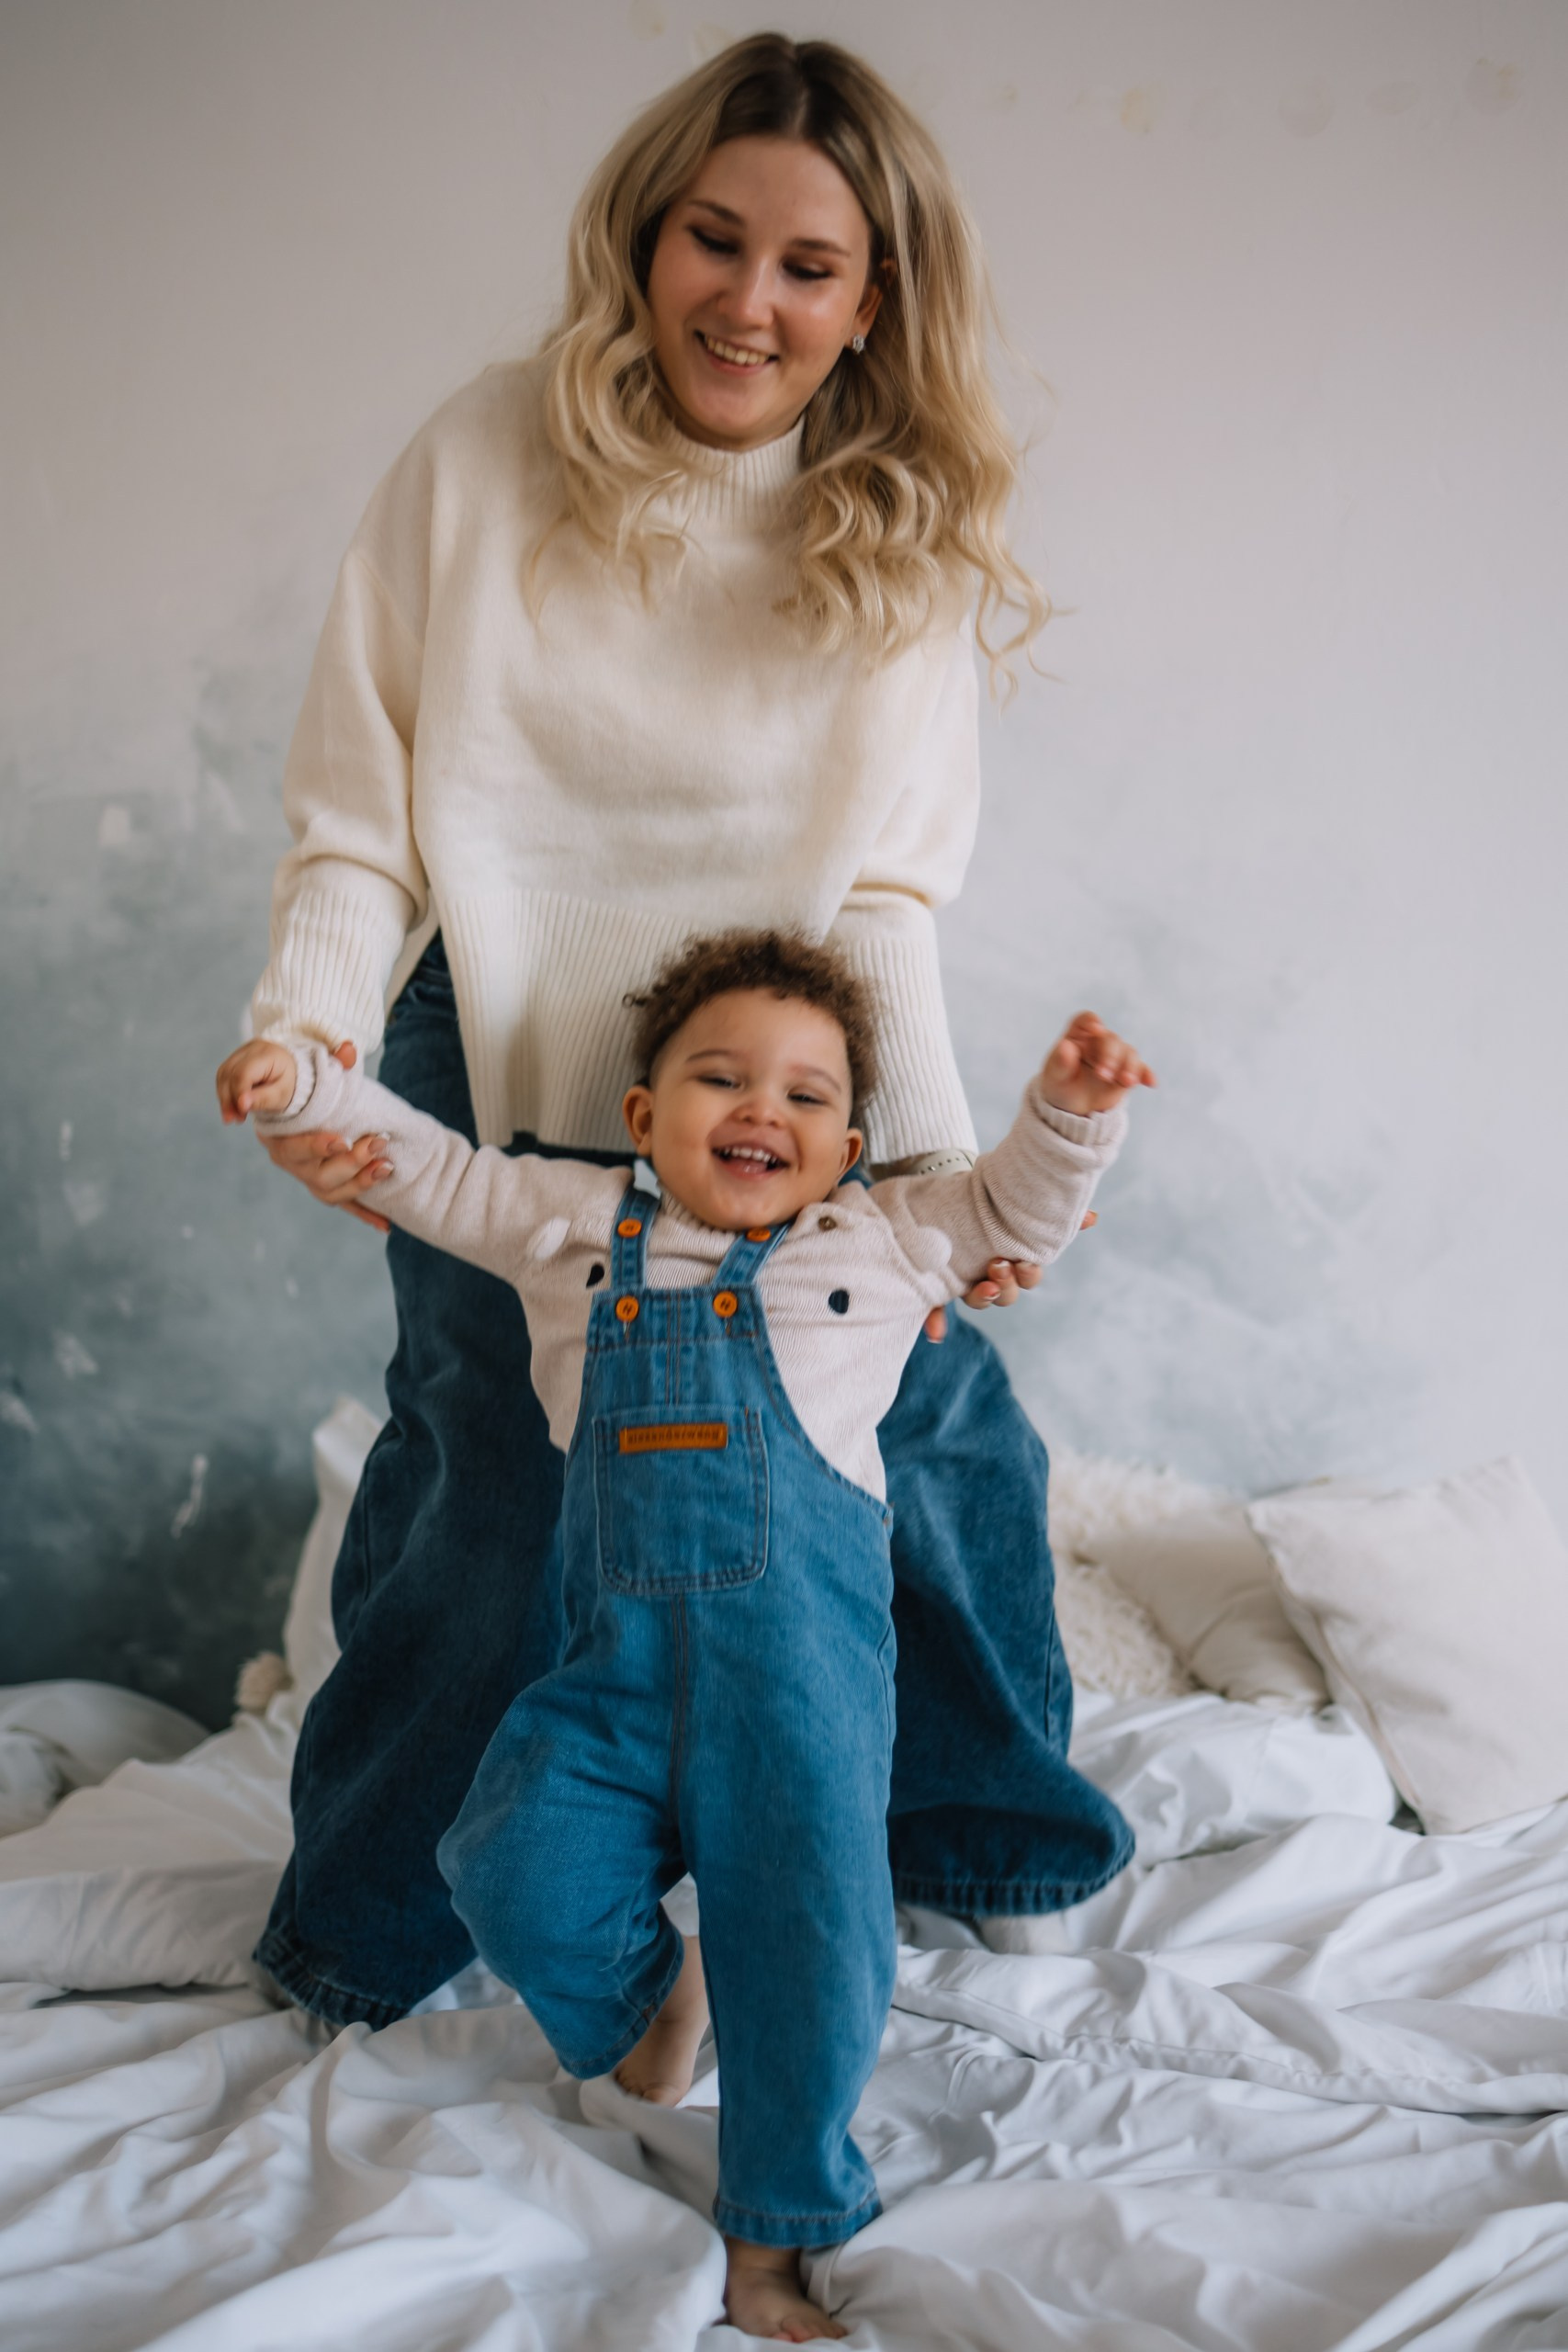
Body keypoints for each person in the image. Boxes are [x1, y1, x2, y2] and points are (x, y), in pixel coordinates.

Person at [225, 31, 1133, 2054]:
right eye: (713, 241)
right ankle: (361, 1929)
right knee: (495, 1473)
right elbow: (362, 818)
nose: (749, 300)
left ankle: (991, 1844)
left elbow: (879, 897)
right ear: (643, 241)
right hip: (494, 1034)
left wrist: (932, 1171)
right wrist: (308, 1041)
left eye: (809, 266)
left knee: (933, 1431)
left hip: (785, 1073)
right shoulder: (479, 456)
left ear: (871, 300)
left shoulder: (892, 523)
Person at [219, 928, 1153, 2342]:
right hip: (609, 1686)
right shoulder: (570, 1228)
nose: (762, 1108)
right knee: (506, 1862)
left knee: (810, 1958)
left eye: (807, 1094)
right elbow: (433, 1169)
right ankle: (654, 2004)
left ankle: (776, 2233)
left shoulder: (878, 1244)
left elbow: (1012, 1209)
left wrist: (1073, 1112)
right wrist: (304, 1087)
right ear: (646, 1116)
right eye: (722, 1078)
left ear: (849, 1149)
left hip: (799, 1708)